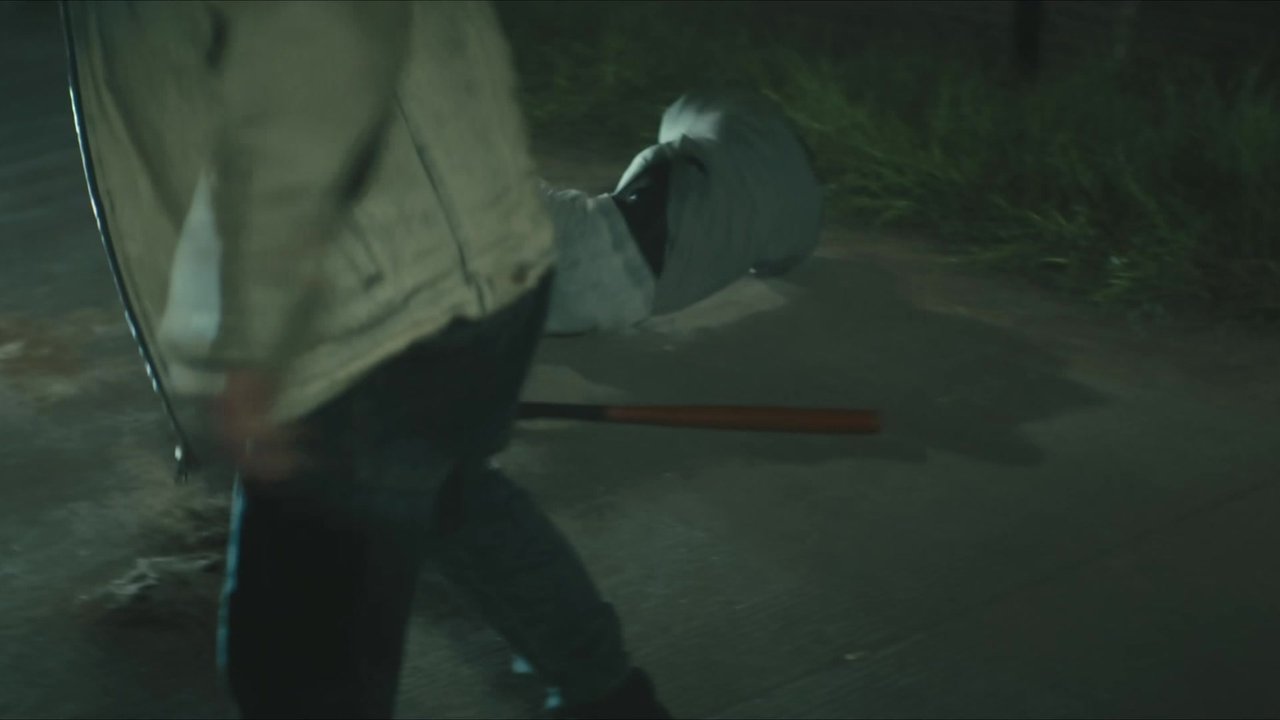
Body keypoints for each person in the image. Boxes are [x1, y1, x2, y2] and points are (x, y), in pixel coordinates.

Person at [61, 2, 670, 718]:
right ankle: (614, 701)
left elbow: (317, 61)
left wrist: (246, 337)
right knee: (454, 499)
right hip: (460, 246)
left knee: (295, 672)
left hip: (360, 307)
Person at [541, 90, 823, 336]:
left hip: (592, 244)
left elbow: (669, 133)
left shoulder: (733, 116)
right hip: (622, 305)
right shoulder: (804, 225)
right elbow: (770, 265)